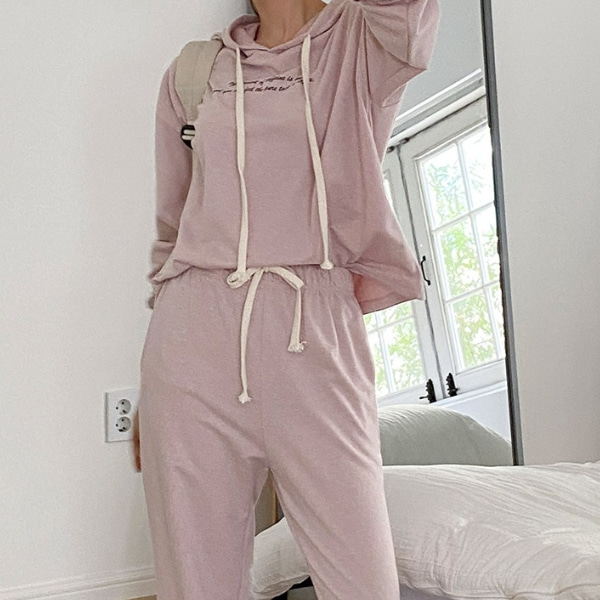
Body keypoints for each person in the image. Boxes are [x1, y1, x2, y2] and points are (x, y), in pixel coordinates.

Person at [135, 0, 439, 598]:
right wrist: (152, 389)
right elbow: (172, 231)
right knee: (196, 584)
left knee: (363, 582)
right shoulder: (193, 71)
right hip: (191, 334)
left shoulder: (366, 38)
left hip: (315, 326)